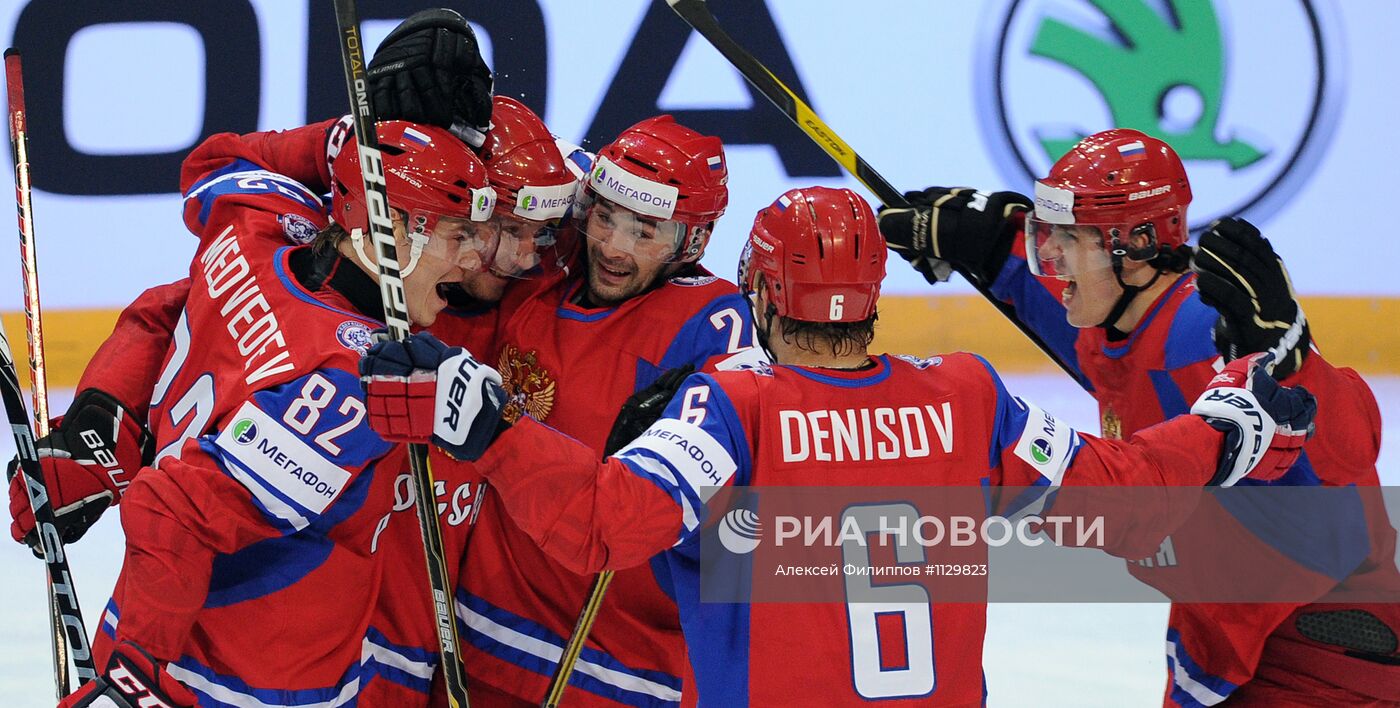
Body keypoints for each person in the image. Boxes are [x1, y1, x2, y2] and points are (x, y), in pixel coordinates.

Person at [357, 185, 1318, 706]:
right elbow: (1127, 493)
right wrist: (1232, 425)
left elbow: (606, 524)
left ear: (765, 297)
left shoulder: (732, 410)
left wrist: (492, 428)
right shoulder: (968, 397)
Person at [875, 128, 1399, 705]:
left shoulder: (1202, 338)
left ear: (1140, 243)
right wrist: (992, 250)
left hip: (1325, 651)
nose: (1051, 259)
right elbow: (1094, 345)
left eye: (1069, 239)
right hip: (1255, 645)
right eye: (1045, 236)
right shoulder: (1128, 324)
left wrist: (1296, 367)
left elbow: (1349, 477)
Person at [56, 118, 498, 708]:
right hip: (234, 685)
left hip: (150, 629)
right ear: (394, 228)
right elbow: (173, 509)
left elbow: (213, 165)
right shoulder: (350, 386)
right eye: (458, 233)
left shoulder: (254, 225)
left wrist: (337, 140)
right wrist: (136, 671)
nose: (472, 261)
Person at [432, 115, 759, 706]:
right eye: (606, 216)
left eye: (645, 231)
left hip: (617, 673)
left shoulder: (714, 325)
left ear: (694, 241)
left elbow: (737, 513)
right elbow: (514, 154)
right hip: (473, 644)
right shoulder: (546, 263)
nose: (613, 246)